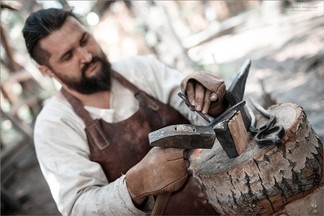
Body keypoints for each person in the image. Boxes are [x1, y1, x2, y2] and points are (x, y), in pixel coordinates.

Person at [22, 8, 226, 215]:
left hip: (221, 196)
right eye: (68, 56)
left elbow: (201, 113)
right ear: (47, 70)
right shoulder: (54, 125)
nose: (86, 56)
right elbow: (77, 207)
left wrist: (212, 103)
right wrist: (135, 184)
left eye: (84, 40)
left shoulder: (140, 69)